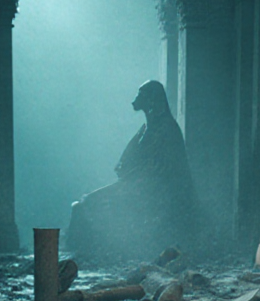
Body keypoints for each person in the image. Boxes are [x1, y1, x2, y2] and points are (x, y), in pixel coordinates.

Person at [65, 80, 199, 262]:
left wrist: (131, 180)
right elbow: (127, 162)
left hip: (156, 191)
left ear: (151, 99)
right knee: (83, 203)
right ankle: (85, 252)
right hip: (137, 185)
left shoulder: (166, 129)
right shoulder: (146, 128)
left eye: (141, 95)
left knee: (88, 203)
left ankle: (89, 253)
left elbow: (160, 171)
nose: (135, 99)